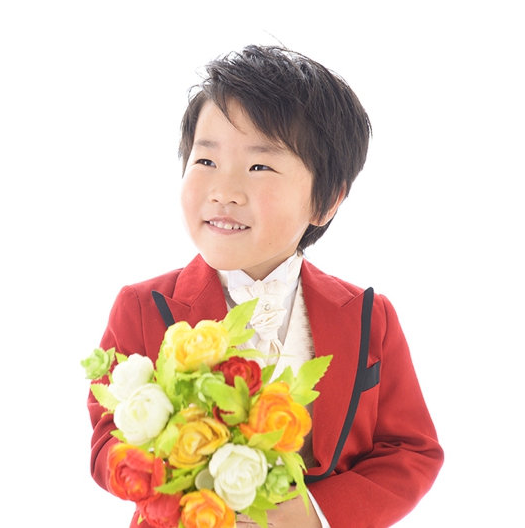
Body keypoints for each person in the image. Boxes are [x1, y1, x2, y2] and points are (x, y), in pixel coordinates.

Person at [87, 45, 443, 528]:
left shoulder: (369, 316)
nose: (224, 191)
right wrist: (178, 473)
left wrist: (316, 513)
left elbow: (411, 449)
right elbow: (108, 439)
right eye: (206, 161)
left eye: (260, 167)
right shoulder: (142, 306)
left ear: (327, 201)